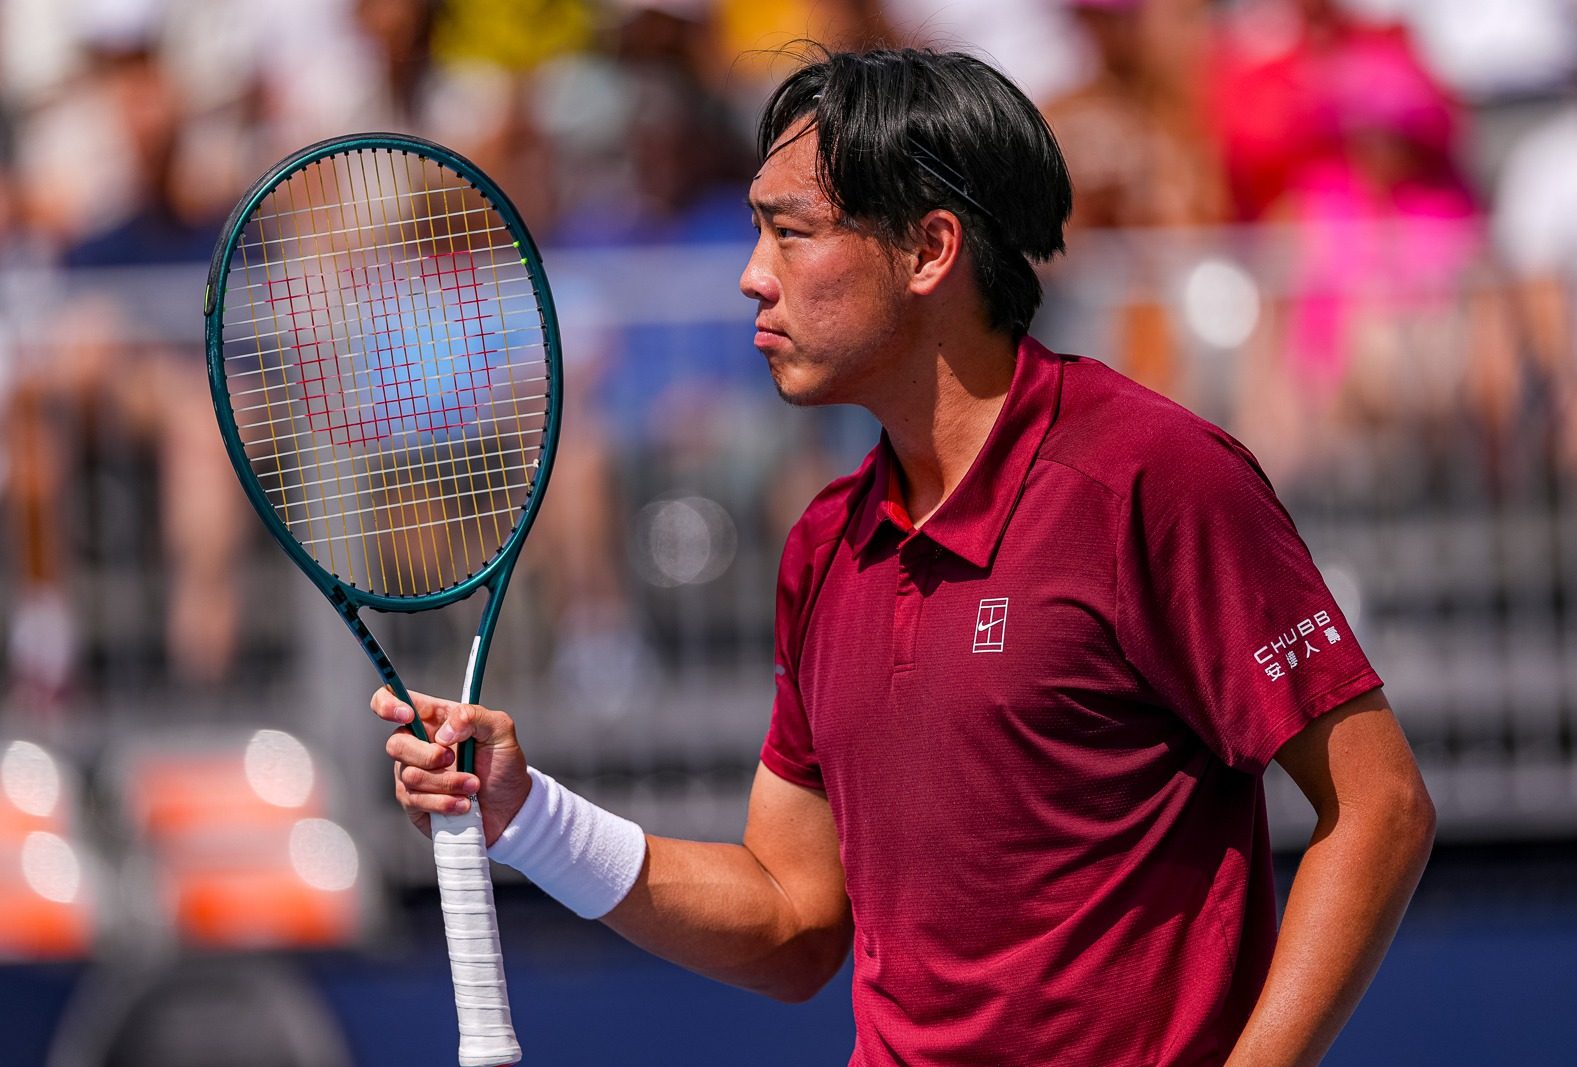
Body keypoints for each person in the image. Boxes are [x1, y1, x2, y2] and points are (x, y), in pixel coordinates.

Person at [374, 46, 1436, 1065]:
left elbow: (1378, 806)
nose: (751, 276)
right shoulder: (824, 544)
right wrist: (529, 815)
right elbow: (792, 919)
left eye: (791, 234)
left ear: (929, 251)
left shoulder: (1155, 476)